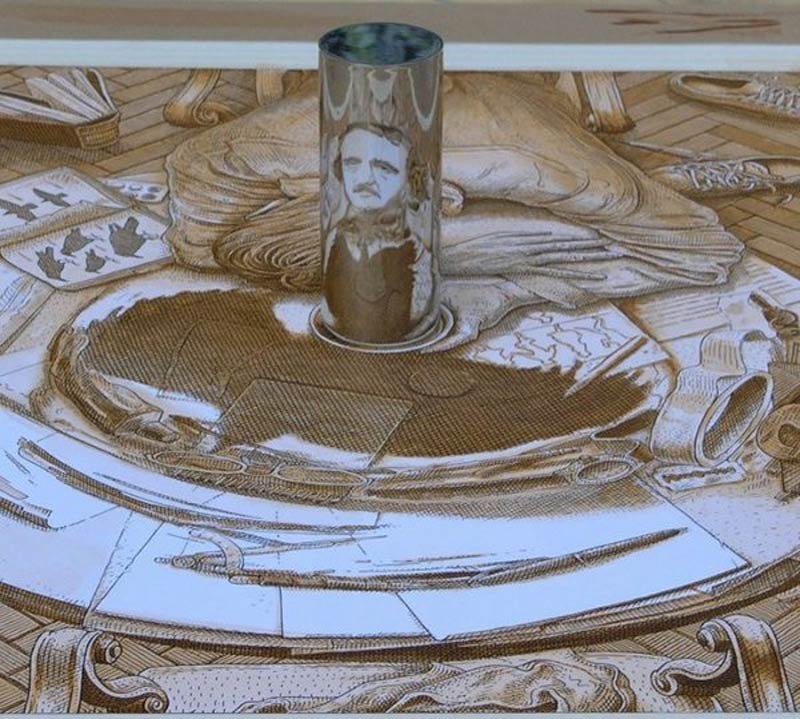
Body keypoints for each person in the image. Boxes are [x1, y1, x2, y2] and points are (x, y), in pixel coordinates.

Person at [165, 71, 743, 351]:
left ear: (444, 202)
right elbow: (198, 215)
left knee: (630, 214)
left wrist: (504, 292)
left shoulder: (548, 174)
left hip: (521, 137)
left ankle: (669, 182)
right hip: (359, 145)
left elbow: (705, 253)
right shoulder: (235, 172)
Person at [321, 123, 435, 344]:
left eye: (384, 168)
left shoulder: (416, 249)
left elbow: (419, 312)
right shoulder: (335, 238)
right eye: (352, 164)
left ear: (409, 180)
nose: (365, 178)